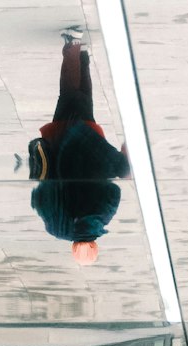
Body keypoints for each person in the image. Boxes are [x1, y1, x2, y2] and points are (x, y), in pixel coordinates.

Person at [27, 28, 129, 261]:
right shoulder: (57, 227)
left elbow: (113, 190)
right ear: (74, 249)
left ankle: (81, 56)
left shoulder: (103, 217)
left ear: (94, 246)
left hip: (90, 143)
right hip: (63, 144)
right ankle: (73, 45)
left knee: (84, 104)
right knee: (68, 96)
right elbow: (40, 198)